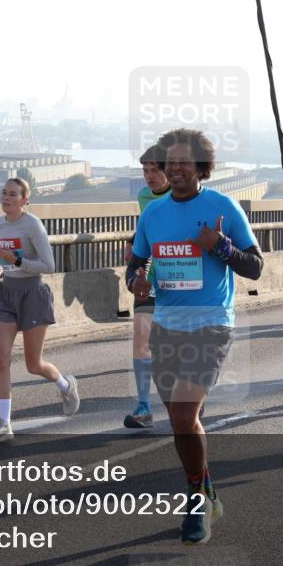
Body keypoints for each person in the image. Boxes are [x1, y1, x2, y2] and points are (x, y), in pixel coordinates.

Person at [127, 128, 263, 545]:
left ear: (201, 166)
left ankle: (196, 501)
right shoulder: (153, 214)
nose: (176, 168)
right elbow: (136, 264)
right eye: (170, 162)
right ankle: (206, 491)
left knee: (185, 416)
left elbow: (255, 266)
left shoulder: (222, 206)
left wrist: (221, 246)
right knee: (180, 421)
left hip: (211, 325)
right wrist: (137, 281)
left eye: (184, 161)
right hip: (166, 325)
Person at [0, 178, 78, 443]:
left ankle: (65, 384)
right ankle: (5, 424)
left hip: (33, 294)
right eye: (4, 193)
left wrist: (18, 261)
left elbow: (49, 265)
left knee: (33, 364)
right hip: (6, 294)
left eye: (13, 194)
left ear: (25, 200)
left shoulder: (33, 224)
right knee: (1, 360)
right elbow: (1, 258)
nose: (6, 198)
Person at [122, 145, 171, 429]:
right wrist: (133, 242)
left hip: (180, 277)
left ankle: (190, 398)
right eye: (145, 171)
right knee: (141, 337)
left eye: (156, 170)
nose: (150, 176)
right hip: (149, 274)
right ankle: (144, 407)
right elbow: (147, 228)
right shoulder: (144, 196)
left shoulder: (182, 195)